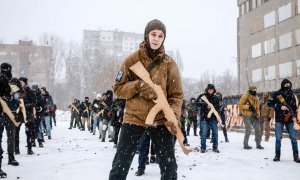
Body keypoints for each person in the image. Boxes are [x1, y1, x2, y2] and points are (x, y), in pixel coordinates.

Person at [109, 19, 183, 180]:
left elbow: (176, 95)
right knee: (119, 166)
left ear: (164, 38)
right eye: (153, 34)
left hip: (161, 119)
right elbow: (118, 88)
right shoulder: (132, 60)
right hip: (134, 118)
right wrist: (137, 86)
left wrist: (174, 116)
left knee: (170, 169)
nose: (156, 38)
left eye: (160, 35)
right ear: (146, 35)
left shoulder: (170, 64)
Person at [268, 79, 300, 163]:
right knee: (278, 138)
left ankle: (296, 156)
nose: (288, 86)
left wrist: (294, 116)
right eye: (286, 85)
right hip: (279, 119)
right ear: (283, 85)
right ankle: (277, 155)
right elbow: (269, 103)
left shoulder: (292, 95)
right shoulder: (277, 94)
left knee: (293, 138)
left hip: (289, 119)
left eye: (289, 84)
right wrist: (279, 106)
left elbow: (295, 107)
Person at [196, 84, 220, 153]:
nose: (210, 91)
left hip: (213, 118)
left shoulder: (215, 98)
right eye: (209, 89)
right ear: (207, 89)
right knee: (204, 133)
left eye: (212, 89)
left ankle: (215, 147)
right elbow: (197, 103)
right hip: (204, 118)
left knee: (215, 133)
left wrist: (213, 107)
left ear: (213, 90)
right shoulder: (202, 96)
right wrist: (205, 105)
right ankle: (203, 148)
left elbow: (218, 107)